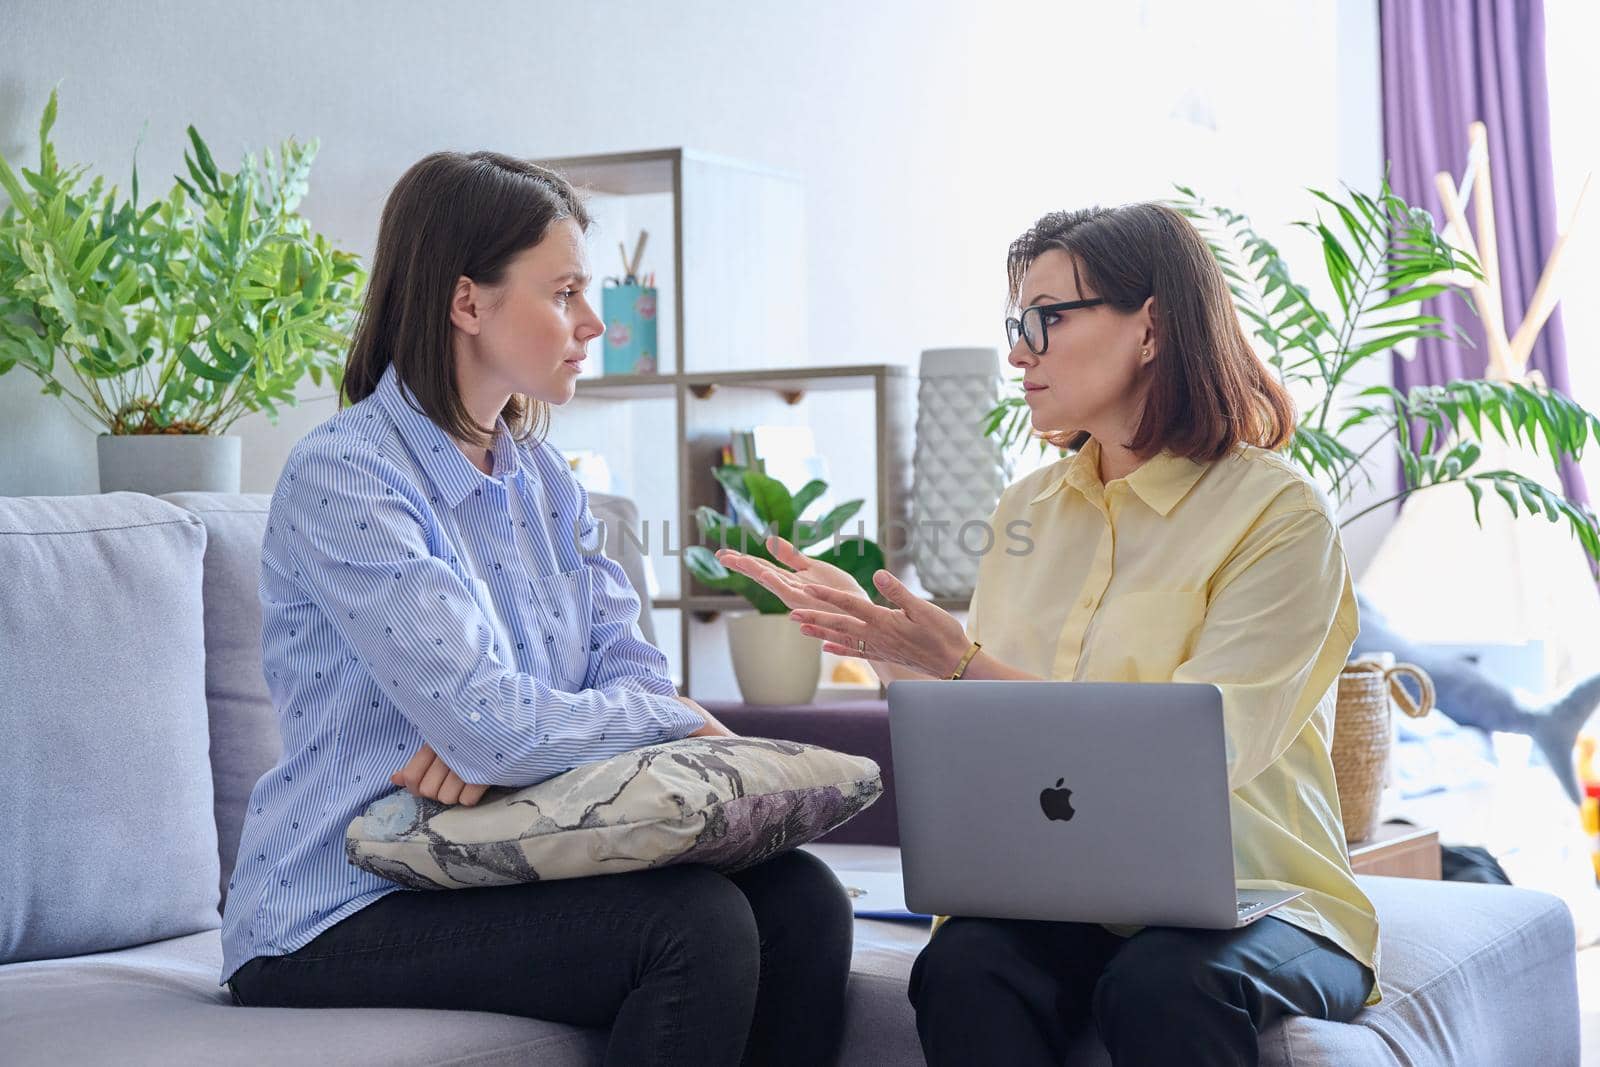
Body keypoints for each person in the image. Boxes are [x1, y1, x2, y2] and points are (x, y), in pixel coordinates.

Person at [219, 151, 853, 1067]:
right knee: (694, 924)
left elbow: (600, 677)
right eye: (563, 292)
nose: (592, 322)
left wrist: (513, 740)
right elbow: (513, 724)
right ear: (466, 302)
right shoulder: (347, 475)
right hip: (337, 904)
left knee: (804, 901)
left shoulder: (542, 478)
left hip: (492, 856)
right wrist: (630, 723)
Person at [718, 203, 1377, 1066]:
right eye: (1014, 324)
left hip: (1266, 900)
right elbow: (1003, 742)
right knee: (963, 963)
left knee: (1163, 982)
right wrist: (895, 658)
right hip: (1069, 897)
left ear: (1151, 325)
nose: (1019, 350)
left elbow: (1192, 752)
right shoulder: (1027, 510)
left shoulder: (1278, 513)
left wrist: (955, 660)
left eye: (1046, 319)